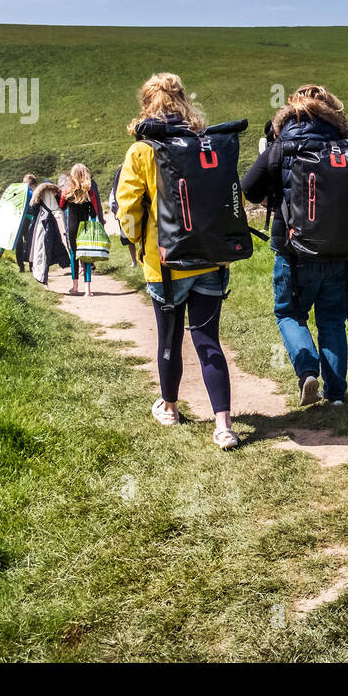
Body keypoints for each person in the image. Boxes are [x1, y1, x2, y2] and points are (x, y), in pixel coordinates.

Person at [114, 72, 239, 450]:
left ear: (146, 104)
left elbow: (129, 209)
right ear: (183, 101)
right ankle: (224, 425)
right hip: (211, 261)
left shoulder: (142, 151)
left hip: (165, 264)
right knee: (208, 340)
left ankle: (169, 407)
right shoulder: (207, 145)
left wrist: (136, 243)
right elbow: (232, 201)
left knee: (168, 339)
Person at [242, 84, 348, 407]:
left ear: (292, 108)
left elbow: (248, 187)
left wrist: (276, 201)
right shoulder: (344, 142)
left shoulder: (284, 142)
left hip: (295, 252)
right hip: (339, 250)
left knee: (289, 313)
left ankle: (307, 373)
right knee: (332, 320)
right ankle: (336, 397)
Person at [59, 163, 103, 296]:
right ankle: (88, 291)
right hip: (85, 228)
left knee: (74, 255)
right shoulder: (90, 193)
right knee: (86, 257)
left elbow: (61, 206)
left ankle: (75, 287)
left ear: (72, 176)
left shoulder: (67, 192)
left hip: (72, 227)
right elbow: (94, 213)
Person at [108, 164, 138, 267]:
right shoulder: (126, 170)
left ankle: (135, 261)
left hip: (125, 209)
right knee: (132, 237)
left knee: (129, 237)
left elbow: (114, 192)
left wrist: (114, 208)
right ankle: (136, 260)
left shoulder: (121, 171)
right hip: (128, 208)